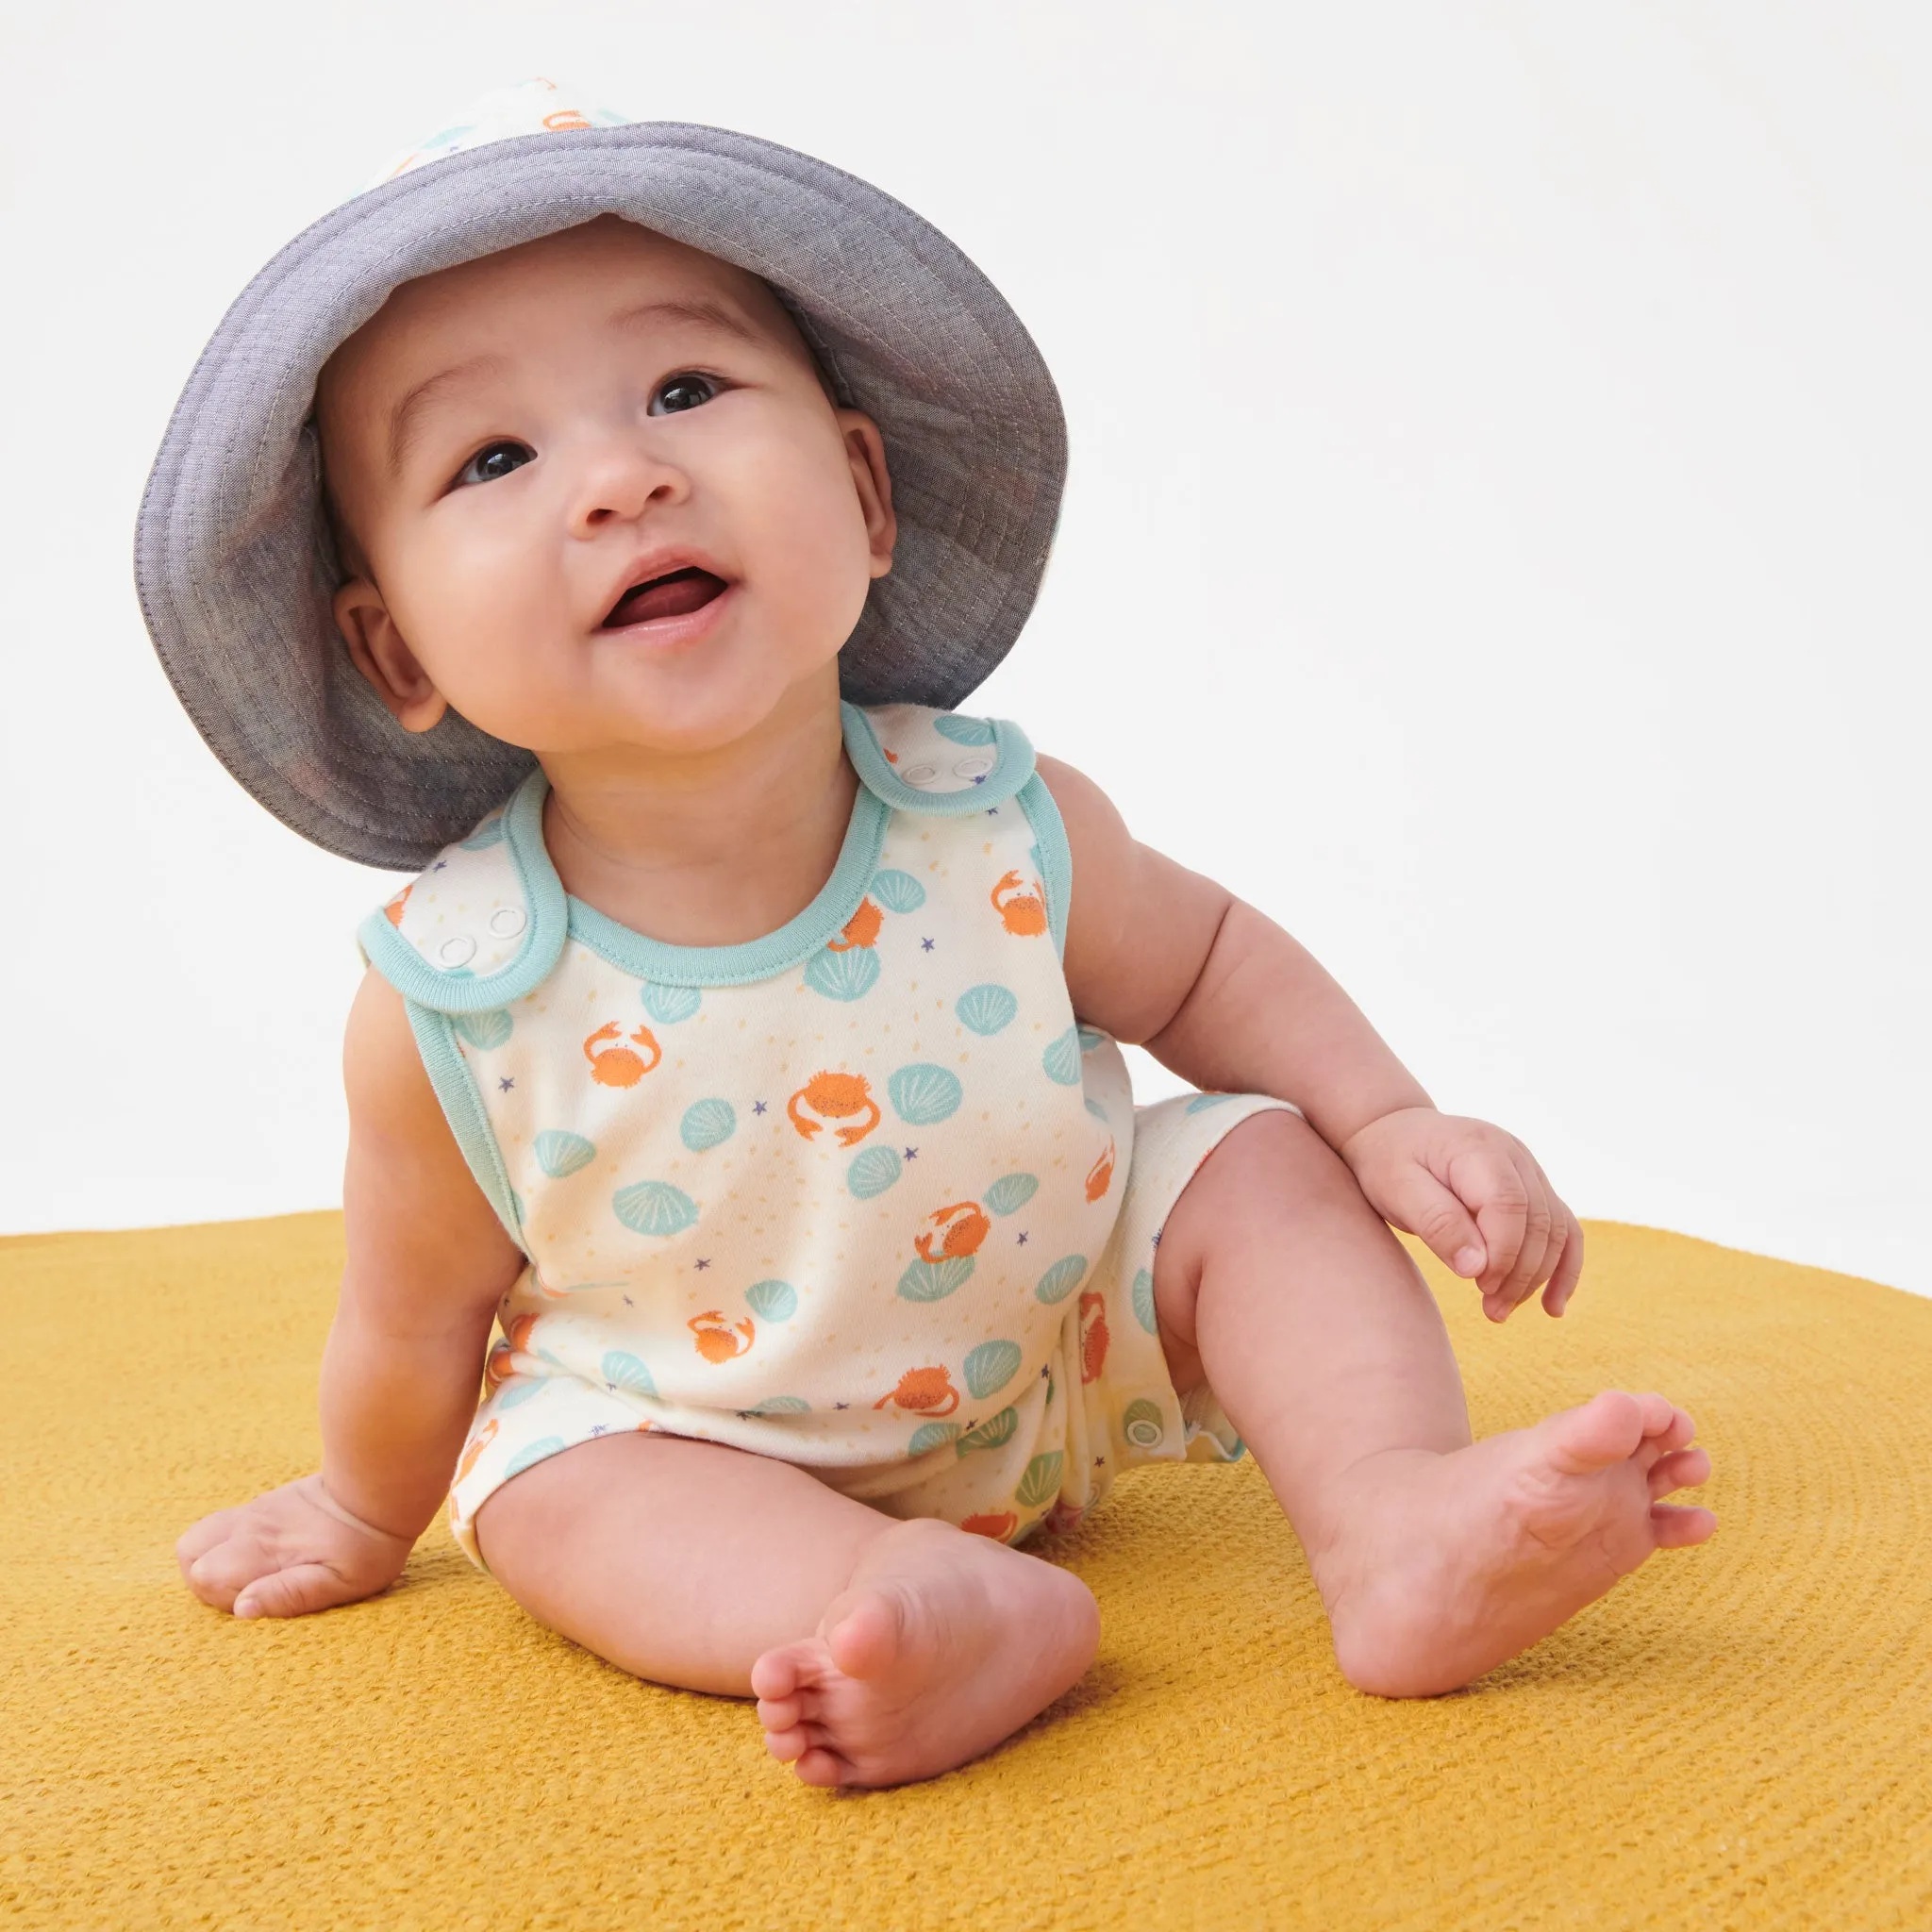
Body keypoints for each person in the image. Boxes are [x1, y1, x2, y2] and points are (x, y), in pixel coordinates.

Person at [157, 81, 1713, 1790]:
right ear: (399, 657)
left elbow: (1204, 973)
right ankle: (906, 1602)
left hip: (1045, 1350)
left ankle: (1394, 1522)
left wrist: (1388, 1117)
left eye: (686, 387)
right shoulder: (462, 993)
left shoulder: (992, 824)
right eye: (495, 458)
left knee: (1262, 1166)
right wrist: (362, 1507)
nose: (624, 475)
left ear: (862, 492)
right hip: (691, 1427)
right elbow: (412, 1316)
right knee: (552, 1495)